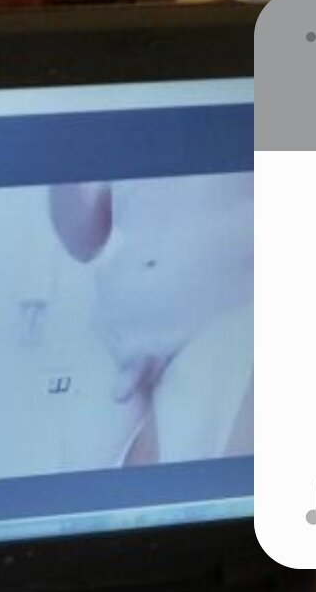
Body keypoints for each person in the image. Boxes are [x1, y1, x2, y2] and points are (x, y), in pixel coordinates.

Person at [48, 172, 254, 464]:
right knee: (77, 471)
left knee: (185, 471)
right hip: (116, 333)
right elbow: (84, 243)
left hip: (221, 332)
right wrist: (63, 162)